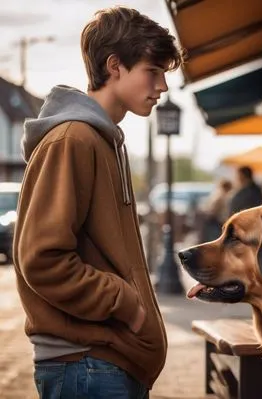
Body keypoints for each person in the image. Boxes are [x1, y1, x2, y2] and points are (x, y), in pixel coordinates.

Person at [12, 7, 184, 398]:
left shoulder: (105, 141)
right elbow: (42, 258)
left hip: (105, 363)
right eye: (152, 71)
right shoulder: (73, 140)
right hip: (86, 366)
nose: (162, 87)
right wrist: (125, 303)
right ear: (114, 66)